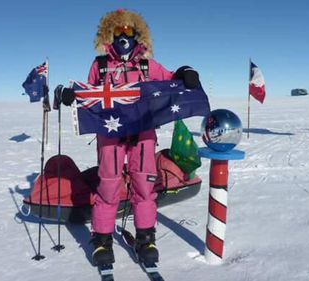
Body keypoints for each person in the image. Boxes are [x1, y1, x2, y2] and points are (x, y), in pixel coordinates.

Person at [58, 9, 200, 266]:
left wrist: (185, 71)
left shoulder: (147, 65)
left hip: (142, 132)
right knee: (109, 184)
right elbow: (88, 93)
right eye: (118, 31)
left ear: (137, 33)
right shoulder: (100, 65)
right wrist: (69, 94)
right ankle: (102, 240)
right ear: (108, 34)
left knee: (144, 185)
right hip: (110, 134)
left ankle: (146, 238)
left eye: (128, 31)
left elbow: (170, 78)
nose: (124, 36)